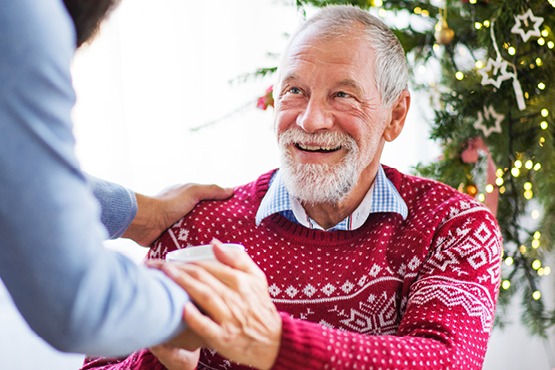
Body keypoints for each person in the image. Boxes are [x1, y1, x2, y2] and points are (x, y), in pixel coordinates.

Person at [82, 5, 503, 370]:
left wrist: (270, 342)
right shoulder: (196, 228)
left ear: (395, 116)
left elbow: (448, 360)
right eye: (295, 91)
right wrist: (164, 360)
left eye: (342, 95)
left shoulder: (453, 226)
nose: (309, 120)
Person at [0, 0, 233, 357]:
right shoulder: (23, 16)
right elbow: (79, 303)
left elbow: (16, 171)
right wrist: (198, 302)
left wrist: (141, 215)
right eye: (293, 91)